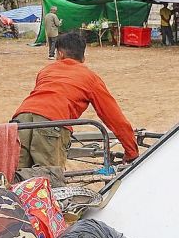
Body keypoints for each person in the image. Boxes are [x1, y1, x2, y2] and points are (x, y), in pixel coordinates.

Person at [12, 32, 139, 169]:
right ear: (83, 57)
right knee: (49, 179)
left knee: (16, 175)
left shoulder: (46, 71)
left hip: (20, 120)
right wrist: (131, 151)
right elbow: (113, 116)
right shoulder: (90, 78)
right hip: (52, 122)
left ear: (60, 54)